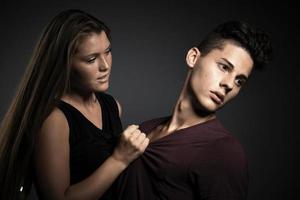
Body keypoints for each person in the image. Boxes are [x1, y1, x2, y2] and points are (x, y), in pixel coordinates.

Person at [0, 9, 149, 199]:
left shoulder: (113, 106)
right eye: (91, 59)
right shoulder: (55, 120)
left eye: (108, 51)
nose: (105, 65)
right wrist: (119, 159)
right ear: (64, 64)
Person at [114, 21, 272, 199]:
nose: (228, 84)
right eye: (224, 67)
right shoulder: (144, 129)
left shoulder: (224, 153)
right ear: (193, 57)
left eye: (239, 81)